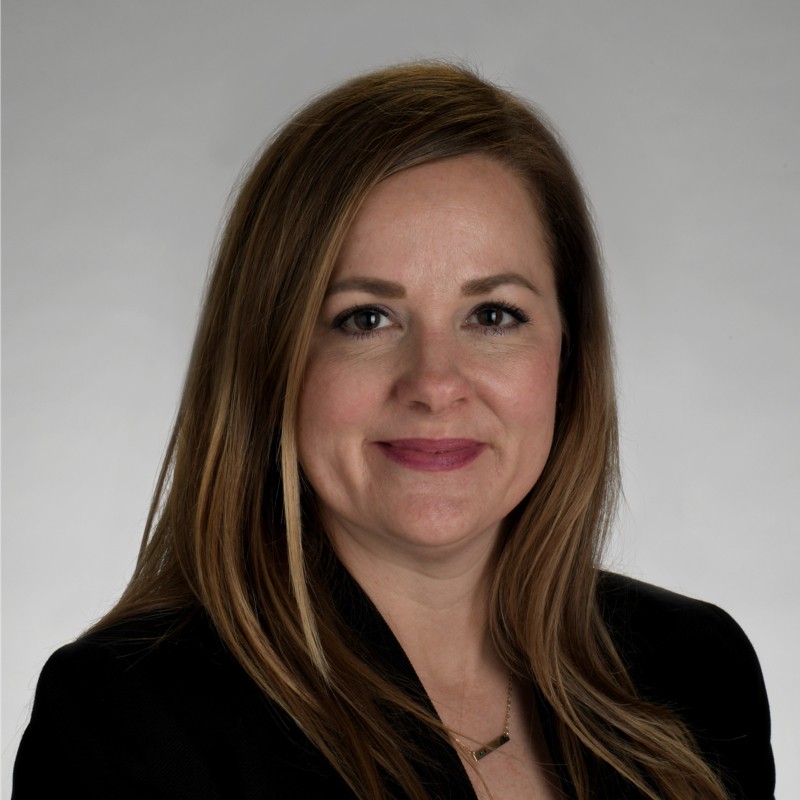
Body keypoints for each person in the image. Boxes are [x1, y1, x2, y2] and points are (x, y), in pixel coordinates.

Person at [13, 62, 774, 800]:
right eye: (366, 319)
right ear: (268, 360)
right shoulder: (130, 719)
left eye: (494, 315)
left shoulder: (696, 675)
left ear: (570, 356)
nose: (436, 384)